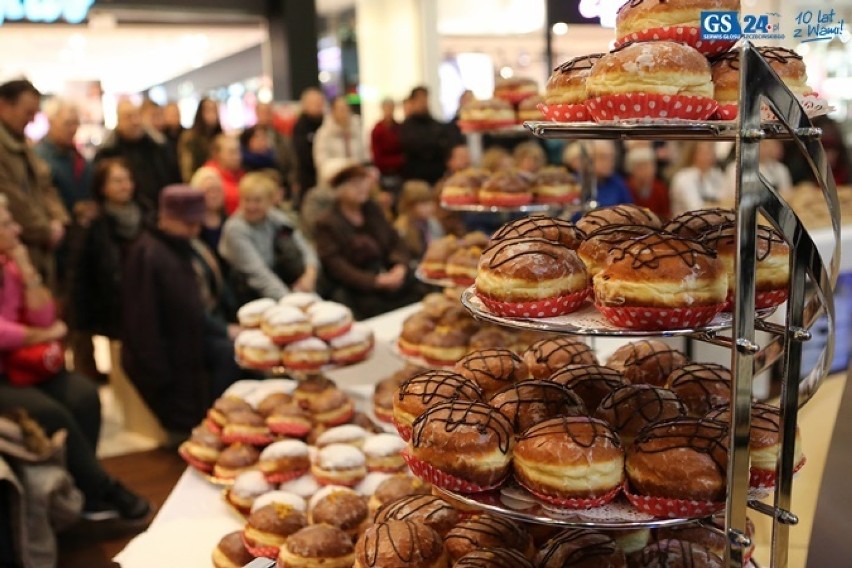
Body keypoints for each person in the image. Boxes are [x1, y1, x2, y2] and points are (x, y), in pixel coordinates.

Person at [0, 194, 150, 521]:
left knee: (84, 395)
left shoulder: (10, 264)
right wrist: (42, 335)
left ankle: (79, 487)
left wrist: (26, 269)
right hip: (6, 372)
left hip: (24, 364)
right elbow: (35, 330)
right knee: (51, 412)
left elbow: (43, 316)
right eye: (8, 223)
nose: (16, 229)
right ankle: (102, 488)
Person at [122, 185, 240, 434]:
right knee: (226, 353)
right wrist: (159, 375)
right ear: (166, 219)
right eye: (188, 224)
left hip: (192, 337)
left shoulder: (187, 245)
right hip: (171, 354)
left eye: (198, 223)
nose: (195, 230)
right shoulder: (149, 254)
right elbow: (143, 323)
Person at [315, 165, 424, 319]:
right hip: (357, 286)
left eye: (363, 182)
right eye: (354, 184)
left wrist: (399, 267)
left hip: (386, 273)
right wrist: (375, 281)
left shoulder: (372, 210)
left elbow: (395, 241)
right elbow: (336, 266)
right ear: (339, 190)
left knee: (417, 285)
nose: (361, 188)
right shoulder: (327, 223)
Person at [66, 158, 143, 345]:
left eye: (128, 180)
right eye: (117, 181)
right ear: (102, 187)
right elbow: (79, 275)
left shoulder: (146, 215)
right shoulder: (91, 223)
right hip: (110, 307)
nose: (125, 186)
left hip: (143, 302)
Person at [0, 80, 69, 285]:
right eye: (27, 112)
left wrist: (58, 220)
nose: (31, 120)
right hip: (18, 255)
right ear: (4, 106)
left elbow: (46, 186)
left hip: (39, 249)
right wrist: (47, 230)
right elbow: (13, 200)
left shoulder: (22, 144)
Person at [219, 173, 319, 302]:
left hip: (282, 284)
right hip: (252, 294)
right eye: (246, 200)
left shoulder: (275, 217)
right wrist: (291, 301)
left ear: (270, 201)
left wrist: (310, 275)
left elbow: (304, 247)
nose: (251, 206)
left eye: (257, 201)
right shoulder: (235, 229)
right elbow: (259, 275)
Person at [94, 99, 180, 213]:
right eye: (128, 117)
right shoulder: (107, 152)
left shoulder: (158, 146)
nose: (135, 121)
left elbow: (173, 177)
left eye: (137, 115)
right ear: (119, 121)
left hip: (161, 211)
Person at [34, 98, 94, 222]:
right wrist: (72, 208)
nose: (73, 129)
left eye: (76, 123)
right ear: (50, 122)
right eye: (68, 123)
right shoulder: (38, 156)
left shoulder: (76, 155)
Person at [399, 86, 457, 184]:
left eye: (425, 98)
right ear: (413, 102)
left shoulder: (436, 125)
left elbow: (445, 143)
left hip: (438, 176)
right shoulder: (407, 127)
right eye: (420, 99)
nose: (424, 102)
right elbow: (414, 146)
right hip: (416, 178)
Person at [669, 141, 728, 216]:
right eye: (706, 152)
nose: (710, 155)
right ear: (694, 154)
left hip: (714, 223)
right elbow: (694, 209)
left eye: (711, 150)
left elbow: (727, 202)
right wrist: (718, 205)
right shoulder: (682, 177)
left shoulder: (716, 174)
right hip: (687, 224)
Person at [255, 102, 299, 201]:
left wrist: (292, 181)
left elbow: (292, 163)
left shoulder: (282, 138)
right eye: (263, 112)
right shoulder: (248, 138)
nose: (266, 116)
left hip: (282, 186)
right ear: (257, 113)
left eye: (269, 112)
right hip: (258, 186)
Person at [313, 96, 367, 176]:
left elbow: (364, 154)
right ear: (333, 111)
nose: (344, 112)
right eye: (340, 109)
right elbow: (321, 161)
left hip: (356, 179)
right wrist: (342, 168)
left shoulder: (357, 129)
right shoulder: (324, 133)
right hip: (335, 179)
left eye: (346, 108)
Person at [394, 180, 445, 259]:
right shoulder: (402, 230)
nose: (430, 207)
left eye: (430, 202)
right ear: (409, 205)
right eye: (423, 203)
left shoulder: (433, 223)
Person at [177, 97, 222, 183]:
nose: (211, 114)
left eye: (214, 110)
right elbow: (186, 167)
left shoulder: (220, 137)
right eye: (207, 110)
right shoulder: (190, 137)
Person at [292, 88, 327, 197]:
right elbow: (302, 154)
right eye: (315, 103)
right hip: (308, 177)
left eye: (320, 102)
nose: (319, 106)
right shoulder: (300, 126)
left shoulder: (327, 124)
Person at [624, 146, 671, 220]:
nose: (645, 171)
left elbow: (666, 215)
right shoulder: (625, 188)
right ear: (631, 169)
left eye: (648, 166)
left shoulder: (660, 188)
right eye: (640, 167)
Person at [204, 134, 244, 216]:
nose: (237, 156)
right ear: (217, 154)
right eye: (232, 152)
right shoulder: (208, 177)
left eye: (238, 151)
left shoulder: (241, 173)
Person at [189, 166, 226, 254]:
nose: (214, 195)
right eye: (208, 191)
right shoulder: (192, 226)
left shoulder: (229, 221)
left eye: (217, 190)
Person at [370, 98, 404, 193]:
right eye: (387, 107)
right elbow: (377, 156)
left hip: (399, 173)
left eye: (391, 107)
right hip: (384, 173)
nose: (389, 110)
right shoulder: (377, 130)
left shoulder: (399, 128)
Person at [589, 140, 633, 208]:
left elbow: (629, 210)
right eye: (603, 157)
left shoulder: (618, 182)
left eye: (612, 157)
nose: (609, 162)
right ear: (590, 159)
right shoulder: (577, 183)